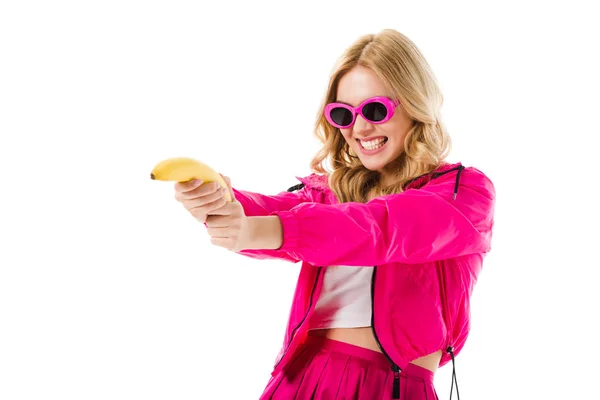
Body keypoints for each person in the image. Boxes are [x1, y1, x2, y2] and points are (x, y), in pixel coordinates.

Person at [173, 29, 495, 400]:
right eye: (343, 114)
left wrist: (259, 229)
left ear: (415, 105)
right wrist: (219, 200)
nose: (359, 128)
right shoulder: (332, 192)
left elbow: (382, 229)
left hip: (390, 388)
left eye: (375, 110)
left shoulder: (463, 193)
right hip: (302, 378)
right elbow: (271, 210)